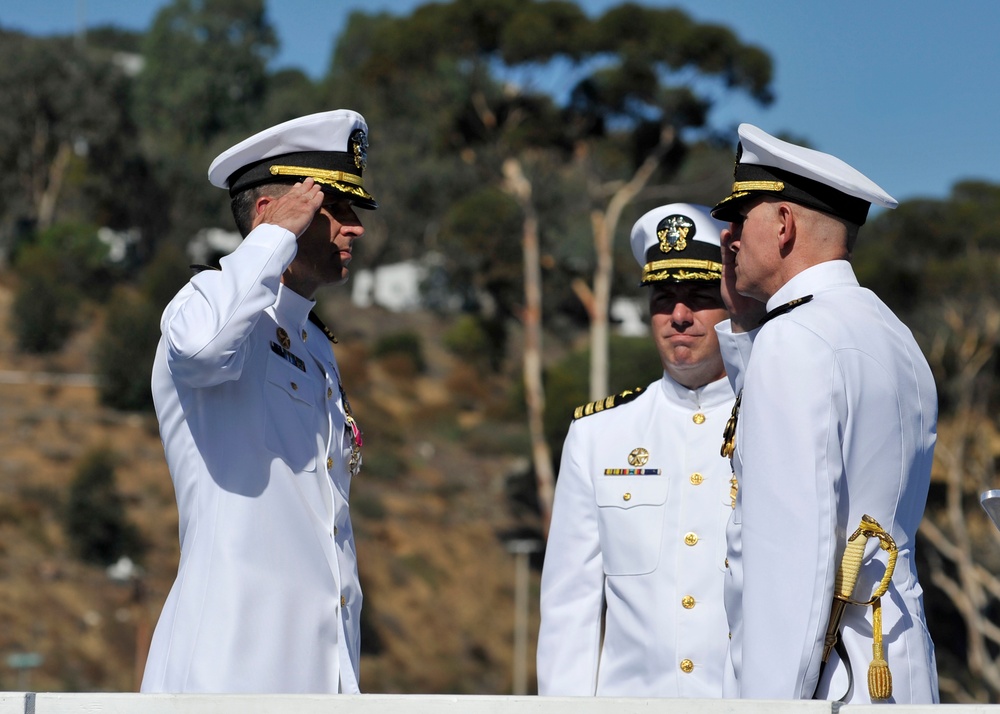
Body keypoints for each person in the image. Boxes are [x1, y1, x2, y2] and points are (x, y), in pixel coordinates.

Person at [141, 110, 377, 693]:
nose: (355, 229)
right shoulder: (205, 303)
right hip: (229, 672)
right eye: (335, 210)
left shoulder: (317, 343)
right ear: (274, 213)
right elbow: (201, 350)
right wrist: (274, 238)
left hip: (320, 675)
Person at [710, 123, 938, 703]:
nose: (730, 239)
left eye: (741, 221)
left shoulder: (795, 340)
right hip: (895, 669)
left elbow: (792, 563)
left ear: (783, 225)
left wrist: (772, 706)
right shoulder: (893, 334)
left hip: (827, 685)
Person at [537, 203, 737, 696]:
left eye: (699, 296)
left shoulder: (774, 424)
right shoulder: (599, 434)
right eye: (664, 298)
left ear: (734, 301)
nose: (680, 316)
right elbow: (571, 605)